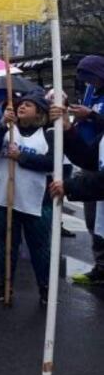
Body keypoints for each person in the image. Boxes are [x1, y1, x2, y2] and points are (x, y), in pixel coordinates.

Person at [0, 93, 53, 305]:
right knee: (6, 245)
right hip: (5, 197)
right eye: (20, 105)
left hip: (35, 199)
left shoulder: (47, 134)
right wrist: (3, 125)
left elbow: (52, 163)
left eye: (28, 105)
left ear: (39, 112)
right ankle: (5, 285)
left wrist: (22, 157)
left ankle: (45, 288)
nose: (22, 107)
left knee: (39, 247)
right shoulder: (6, 130)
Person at [71, 55, 104, 285]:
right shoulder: (91, 94)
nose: (89, 82)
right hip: (94, 160)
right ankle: (100, 266)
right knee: (94, 221)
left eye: (91, 77)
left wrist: (91, 115)